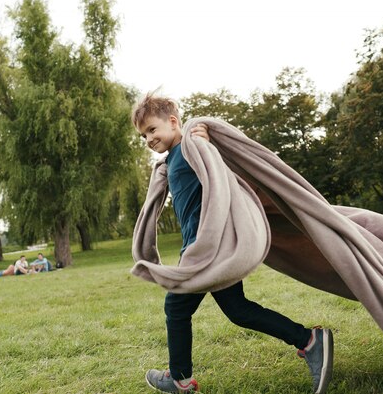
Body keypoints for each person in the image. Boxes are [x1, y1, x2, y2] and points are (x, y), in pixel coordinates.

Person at [131, 93, 333, 394]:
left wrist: (208, 141)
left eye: (152, 130)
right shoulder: (173, 158)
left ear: (173, 122)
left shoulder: (191, 147)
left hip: (207, 248)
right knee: (238, 310)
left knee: (176, 307)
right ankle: (309, 340)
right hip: (203, 247)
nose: (148, 138)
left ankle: (179, 380)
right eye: (143, 135)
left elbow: (223, 165)